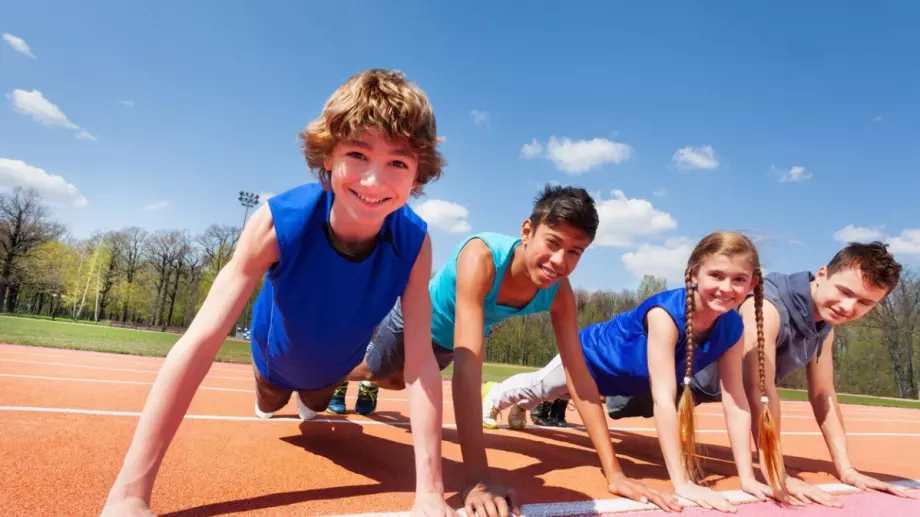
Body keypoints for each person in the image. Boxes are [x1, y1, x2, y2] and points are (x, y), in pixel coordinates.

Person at [99, 69, 455, 517]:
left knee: (314, 405)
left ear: (418, 175)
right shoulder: (276, 221)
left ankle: (314, 394)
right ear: (328, 156)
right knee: (271, 402)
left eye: (397, 163)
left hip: (332, 370)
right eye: (358, 154)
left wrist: (430, 495)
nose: (373, 181)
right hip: (274, 360)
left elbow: (421, 361)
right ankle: (266, 387)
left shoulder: (415, 242)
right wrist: (130, 494)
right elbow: (201, 340)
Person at [343, 185, 678, 516]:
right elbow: (468, 367)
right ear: (527, 231)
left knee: (397, 383)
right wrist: (477, 479)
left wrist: (615, 473)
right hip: (415, 322)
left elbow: (579, 377)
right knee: (377, 373)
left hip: (445, 342)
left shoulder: (559, 294)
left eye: (575, 252)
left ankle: (348, 370)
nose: (559, 261)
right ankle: (335, 369)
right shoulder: (482, 257)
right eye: (553, 243)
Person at [482, 230, 783, 513]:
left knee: (544, 393)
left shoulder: (733, 329)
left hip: (624, 382)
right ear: (694, 274)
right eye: (716, 275)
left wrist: (748, 476)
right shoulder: (665, 315)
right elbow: (664, 401)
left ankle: (523, 405)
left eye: (739, 279)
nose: (726, 288)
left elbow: (736, 401)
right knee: (541, 387)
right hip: (590, 357)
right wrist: (682, 483)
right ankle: (497, 395)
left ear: (752, 284)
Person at [737, 241, 914, 507]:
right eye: (844, 291)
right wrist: (776, 471)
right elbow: (759, 389)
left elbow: (822, 394)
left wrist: (846, 469)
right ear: (822, 274)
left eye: (865, 302)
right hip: (656, 383)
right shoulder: (766, 306)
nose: (847, 306)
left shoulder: (823, 325)